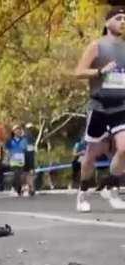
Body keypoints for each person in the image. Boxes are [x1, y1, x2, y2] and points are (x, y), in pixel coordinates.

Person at [74, 6, 125, 212]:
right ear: (107, 23)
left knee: (124, 149)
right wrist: (100, 71)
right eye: (119, 18)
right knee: (90, 157)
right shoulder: (97, 46)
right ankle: (83, 192)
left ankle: (111, 187)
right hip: (99, 107)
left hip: (121, 106)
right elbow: (78, 72)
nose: (123, 22)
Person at [5, 125, 29, 196]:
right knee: (16, 174)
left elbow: (25, 150)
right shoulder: (10, 140)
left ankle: (19, 189)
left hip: (21, 159)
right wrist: (7, 158)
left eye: (19, 130)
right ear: (13, 131)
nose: (18, 131)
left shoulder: (24, 140)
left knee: (21, 175)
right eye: (16, 130)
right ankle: (14, 188)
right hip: (13, 159)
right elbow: (7, 150)